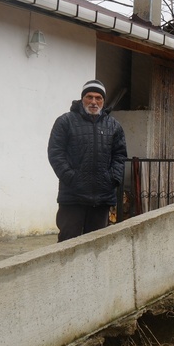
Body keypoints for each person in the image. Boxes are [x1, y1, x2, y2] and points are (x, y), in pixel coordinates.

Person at [47, 79, 128, 241]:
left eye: (98, 98)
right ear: (82, 98)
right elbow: (56, 153)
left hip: (102, 197)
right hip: (73, 195)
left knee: (96, 245)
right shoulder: (65, 122)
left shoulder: (114, 126)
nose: (93, 102)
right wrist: (71, 177)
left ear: (103, 101)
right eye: (89, 97)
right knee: (68, 242)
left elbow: (120, 155)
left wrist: (112, 179)